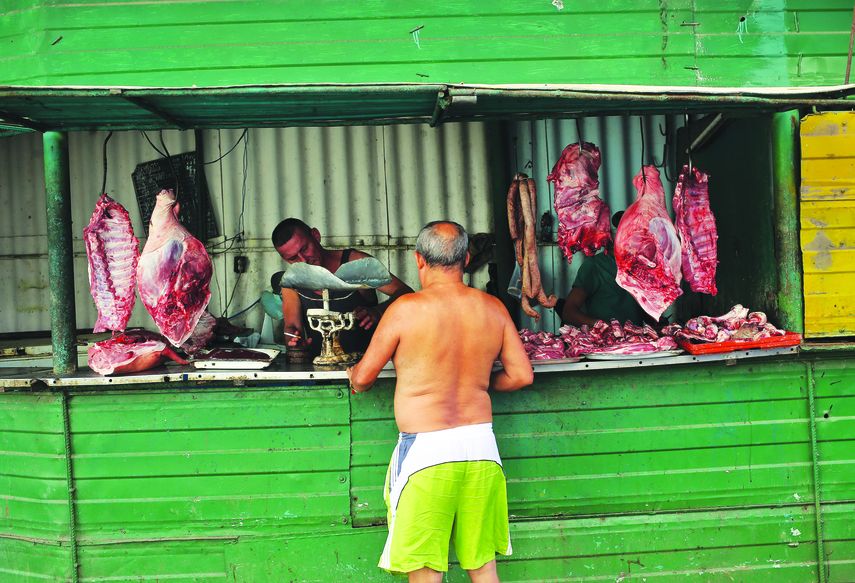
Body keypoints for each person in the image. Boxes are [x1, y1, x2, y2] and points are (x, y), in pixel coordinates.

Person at [347, 221, 533, 583]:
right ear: (466, 259)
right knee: (483, 569)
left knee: (426, 574)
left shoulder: (404, 310)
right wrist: (479, 383)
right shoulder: (493, 308)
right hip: (482, 450)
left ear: (418, 260)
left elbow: (365, 378)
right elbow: (522, 375)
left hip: (426, 455)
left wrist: (353, 375)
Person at [271, 218, 412, 354]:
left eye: (305, 248)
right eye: (293, 258)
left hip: (366, 366)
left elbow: (406, 293)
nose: (304, 260)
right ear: (285, 259)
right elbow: (292, 327)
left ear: (316, 235)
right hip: (319, 371)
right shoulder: (291, 281)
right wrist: (294, 343)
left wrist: (379, 311)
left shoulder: (356, 263)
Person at [559, 211, 646, 326]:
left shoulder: (640, 266)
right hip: (606, 340)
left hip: (636, 339)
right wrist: (602, 326)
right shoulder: (595, 265)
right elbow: (569, 312)